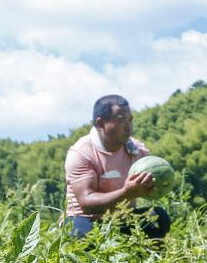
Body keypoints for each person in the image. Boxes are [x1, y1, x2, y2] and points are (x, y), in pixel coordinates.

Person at [65, 94, 170, 240]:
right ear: (101, 124)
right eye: (121, 121)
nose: (129, 127)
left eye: (130, 120)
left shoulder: (137, 150)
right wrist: (127, 193)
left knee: (158, 217)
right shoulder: (82, 153)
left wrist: (154, 184)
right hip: (86, 218)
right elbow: (86, 203)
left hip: (122, 218)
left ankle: (151, 260)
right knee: (81, 235)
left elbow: (152, 182)